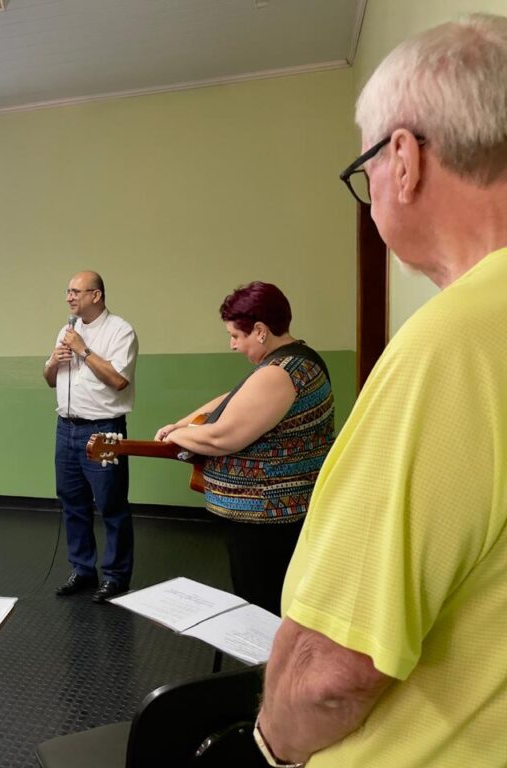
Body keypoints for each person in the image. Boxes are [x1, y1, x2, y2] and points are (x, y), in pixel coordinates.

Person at [256, 14, 507, 768]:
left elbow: (334, 672)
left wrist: (270, 747)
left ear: (403, 158)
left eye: (362, 171)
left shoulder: (455, 340)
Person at [155, 282, 334, 615]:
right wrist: (183, 423)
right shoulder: (292, 362)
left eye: (236, 336)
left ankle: (265, 666)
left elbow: (222, 437)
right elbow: (233, 399)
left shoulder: (279, 373)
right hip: (278, 514)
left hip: (267, 518)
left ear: (261, 331)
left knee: (262, 606)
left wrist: (179, 437)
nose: (233, 345)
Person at [44, 271, 138, 603]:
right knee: (72, 502)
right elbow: (49, 379)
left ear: (96, 295)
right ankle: (83, 570)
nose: (69, 297)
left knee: (111, 503)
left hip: (105, 429)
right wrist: (54, 361)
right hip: (66, 429)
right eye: (67, 291)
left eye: (76, 292)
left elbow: (119, 380)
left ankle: (116, 576)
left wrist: (83, 351)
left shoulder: (120, 331)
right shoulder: (66, 331)